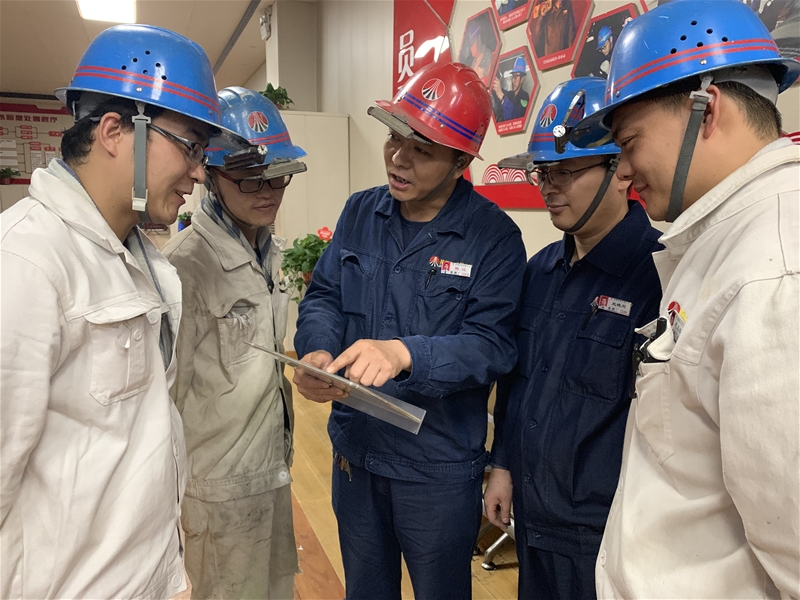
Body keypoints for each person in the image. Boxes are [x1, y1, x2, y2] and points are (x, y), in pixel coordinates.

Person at [0, 24, 240, 599]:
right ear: (114, 131)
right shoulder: (26, 262)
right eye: (190, 146)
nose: (200, 172)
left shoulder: (138, 257)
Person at [570, 0, 800, 597]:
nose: (623, 172)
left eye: (629, 142)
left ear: (707, 109)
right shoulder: (721, 240)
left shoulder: (775, 270)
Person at [293, 61, 527, 600]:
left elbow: (493, 344)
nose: (399, 158)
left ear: (461, 162)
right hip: (356, 454)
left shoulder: (493, 238)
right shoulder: (360, 212)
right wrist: (318, 352)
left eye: (422, 149)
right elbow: (324, 295)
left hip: (436, 468)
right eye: (395, 138)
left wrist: (406, 353)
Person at [486, 77, 663, 600]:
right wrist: (503, 465)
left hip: (607, 533)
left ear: (620, 170)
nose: (548, 187)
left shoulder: (658, 274)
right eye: (542, 172)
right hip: (535, 519)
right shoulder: (539, 270)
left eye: (565, 172)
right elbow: (518, 383)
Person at [161, 87, 306, 598]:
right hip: (214, 491)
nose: (267, 191)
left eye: (277, 175)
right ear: (210, 173)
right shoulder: (184, 267)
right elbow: (165, 401)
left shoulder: (270, 251)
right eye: (248, 176)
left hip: (270, 471)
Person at [492, 56, 530, 122]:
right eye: (512, 76)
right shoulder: (509, 95)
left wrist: (501, 96)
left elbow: (516, 116)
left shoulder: (524, 97)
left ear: (522, 79)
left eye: (515, 77)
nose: (513, 81)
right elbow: (499, 92)